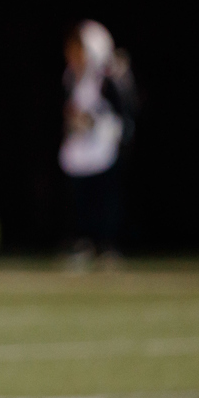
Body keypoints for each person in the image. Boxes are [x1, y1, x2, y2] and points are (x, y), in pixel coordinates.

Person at [60, 20, 137, 264]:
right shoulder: (71, 76)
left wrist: (92, 121)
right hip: (81, 146)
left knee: (105, 197)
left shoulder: (107, 76)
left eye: (78, 49)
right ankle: (84, 241)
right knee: (81, 196)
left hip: (105, 145)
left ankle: (107, 244)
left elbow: (123, 110)